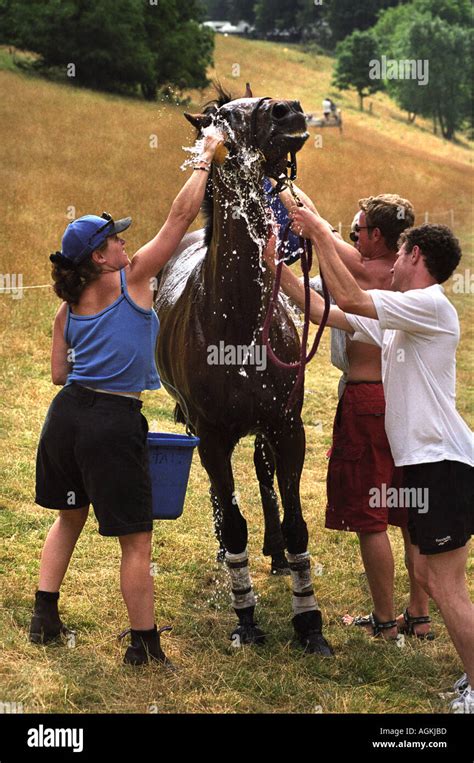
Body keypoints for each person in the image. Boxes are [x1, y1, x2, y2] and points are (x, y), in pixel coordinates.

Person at [29, 131, 224, 666]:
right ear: (100, 256)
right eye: (116, 240)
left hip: (65, 418)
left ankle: (44, 615)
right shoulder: (133, 280)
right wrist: (204, 158)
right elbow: (179, 219)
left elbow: (57, 374)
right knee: (136, 541)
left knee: (68, 517)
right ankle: (144, 644)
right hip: (113, 422)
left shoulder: (67, 310)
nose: (125, 245)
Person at [265, 213, 473, 712]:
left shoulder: (427, 305)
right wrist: (275, 267)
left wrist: (317, 232)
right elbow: (323, 310)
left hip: (441, 463)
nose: (388, 264)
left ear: (415, 256)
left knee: (445, 585)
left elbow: (354, 297)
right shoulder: (403, 314)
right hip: (430, 463)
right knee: (432, 579)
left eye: (399, 254)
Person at [273, 191, 432, 641]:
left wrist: (283, 190)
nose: (352, 237)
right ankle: (418, 616)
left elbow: (323, 281)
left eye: (358, 230)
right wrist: (291, 192)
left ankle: (384, 622)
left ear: (377, 236)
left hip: (368, 404)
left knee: (371, 518)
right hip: (407, 403)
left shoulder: (372, 272)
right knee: (408, 512)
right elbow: (319, 225)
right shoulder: (408, 276)